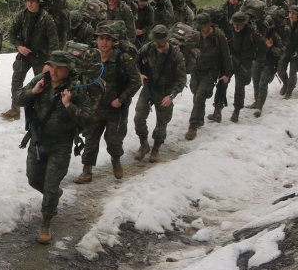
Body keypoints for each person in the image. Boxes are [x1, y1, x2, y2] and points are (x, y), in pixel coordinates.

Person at [19, 50, 98, 244]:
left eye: (59, 68)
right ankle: (53, 195)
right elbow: (18, 99)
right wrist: (33, 92)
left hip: (61, 144)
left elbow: (88, 119)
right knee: (33, 179)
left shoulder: (76, 88)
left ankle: (45, 224)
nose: (54, 71)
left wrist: (69, 105)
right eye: (52, 66)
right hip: (38, 141)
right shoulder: (41, 80)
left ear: (68, 69)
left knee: (51, 185)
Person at [73, 22, 142, 183]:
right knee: (91, 139)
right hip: (94, 107)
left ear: (113, 41)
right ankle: (87, 171)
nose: (104, 42)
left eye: (108, 39)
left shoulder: (122, 59)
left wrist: (121, 99)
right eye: (101, 38)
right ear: (96, 40)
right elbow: (80, 78)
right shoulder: (90, 58)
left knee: (113, 140)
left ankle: (116, 160)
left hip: (115, 108)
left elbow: (135, 82)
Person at [1, 0, 58, 121]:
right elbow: (12, 34)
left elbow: (53, 43)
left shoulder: (47, 19)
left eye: (32, 1)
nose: (29, 4)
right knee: (16, 81)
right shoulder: (21, 16)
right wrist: (19, 47)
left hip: (41, 57)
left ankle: (42, 111)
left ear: (38, 2)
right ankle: (15, 109)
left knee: (43, 83)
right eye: (27, 1)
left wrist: (50, 63)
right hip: (24, 55)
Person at [133, 24, 186, 163]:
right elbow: (135, 63)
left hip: (166, 91)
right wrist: (139, 74)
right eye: (155, 40)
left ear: (166, 39)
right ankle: (144, 144)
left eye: (160, 41)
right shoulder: (147, 48)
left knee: (162, 122)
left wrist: (171, 95)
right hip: (149, 88)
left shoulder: (175, 55)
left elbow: (181, 79)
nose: (157, 43)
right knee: (138, 117)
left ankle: (156, 148)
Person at [184, 12, 232, 140]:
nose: (202, 28)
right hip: (196, 69)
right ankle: (200, 119)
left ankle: (193, 126)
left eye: (204, 26)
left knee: (200, 96)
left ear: (210, 24)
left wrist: (227, 74)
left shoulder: (219, 36)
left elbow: (226, 55)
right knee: (196, 94)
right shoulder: (195, 34)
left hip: (210, 71)